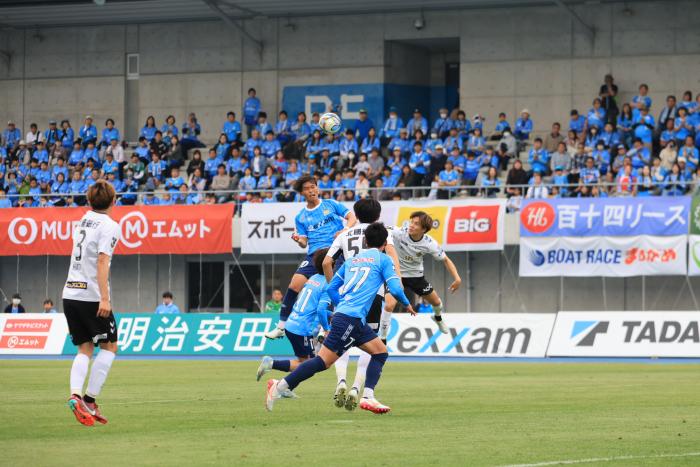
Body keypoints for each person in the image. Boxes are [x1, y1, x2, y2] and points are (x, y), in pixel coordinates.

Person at [265, 223, 414, 414]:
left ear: (365, 241)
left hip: (351, 318)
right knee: (323, 362)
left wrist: (341, 305)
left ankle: (368, 397)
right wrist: (407, 304)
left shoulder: (351, 261)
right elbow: (395, 289)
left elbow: (331, 288)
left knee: (380, 352)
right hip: (350, 319)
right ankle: (279, 387)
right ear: (385, 243)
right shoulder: (384, 260)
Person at [322, 198, 402, 409]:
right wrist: (396, 285)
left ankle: (341, 381)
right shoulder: (383, 232)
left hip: (347, 296)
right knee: (372, 345)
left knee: (341, 341)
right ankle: (357, 388)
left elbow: (326, 262)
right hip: (372, 295)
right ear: (378, 215)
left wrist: (335, 289)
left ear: (355, 215)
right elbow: (392, 257)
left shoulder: (345, 234)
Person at [264, 175, 357, 339]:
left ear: (318, 188)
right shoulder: (300, 217)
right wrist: (298, 240)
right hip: (314, 254)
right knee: (294, 285)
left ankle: (325, 328)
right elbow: (303, 242)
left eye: (313, 187)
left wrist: (345, 230)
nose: (311, 190)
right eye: (307, 189)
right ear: (302, 193)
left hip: (335, 251)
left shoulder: (331, 204)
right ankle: (281, 327)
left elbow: (352, 217)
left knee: (330, 287)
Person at [63, 180, 120, 427]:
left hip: (70, 293)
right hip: (91, 296)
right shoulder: (110, 225)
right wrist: (104, 298)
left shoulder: (82, 221)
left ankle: (75, 395)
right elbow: (102, 261)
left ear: (88, 201)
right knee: (110, 347)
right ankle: (90, 400)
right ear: (114, 201)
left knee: (84, 349)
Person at [379, 211, 461, 340]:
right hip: (396, 274)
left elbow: (446, 259)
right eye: (411, 222)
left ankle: (437, 318)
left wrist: (457, 278)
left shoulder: (429, 243)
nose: (411, 225)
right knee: (389, 305)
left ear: (423, 229)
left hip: (416, 277)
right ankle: (383, 337)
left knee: (437, 303)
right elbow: (380, 228)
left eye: (416, 224)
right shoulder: (399, 232)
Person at [257, 249, 332, 384]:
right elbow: (321, 310)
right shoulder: (327, 284)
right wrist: (326, 329)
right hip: (301, 329)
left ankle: (280, 380)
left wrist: (331, 315)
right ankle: (277, 376)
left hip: (291, 323)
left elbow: (313, 307)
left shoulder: (313, 278)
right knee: (310, 366)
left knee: (304, 362)